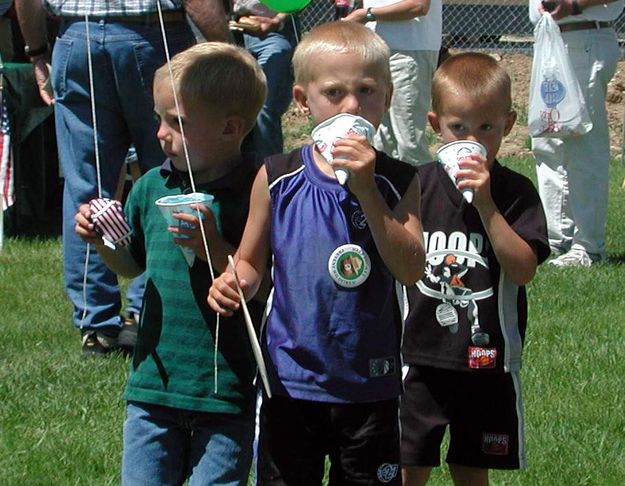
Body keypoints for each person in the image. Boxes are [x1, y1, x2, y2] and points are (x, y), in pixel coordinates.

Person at [208, 21, 426, 485]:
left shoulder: (399, 181)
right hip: (291, 380)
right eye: (334, 92)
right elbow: (251, 263)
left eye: (367, 91)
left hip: (370, 381)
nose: (352, 105)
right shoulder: (277, 176)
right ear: (304, 101)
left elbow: (410, 268)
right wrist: (236, 283)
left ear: (387, 98)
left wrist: (367, 190)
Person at [75, 42, 267, 484]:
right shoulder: (149, 186)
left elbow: (259, 283)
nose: (161, 133)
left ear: (230, 128)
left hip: (224, 392)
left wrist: (212, 245)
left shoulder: (256, 191)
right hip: (152, 386)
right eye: (159, 117)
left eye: (176, 122)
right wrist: (102, 240)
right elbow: (131, 265)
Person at [15, 0, 229, 357]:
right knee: (170, 177)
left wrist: (37, 51)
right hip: (152, 37)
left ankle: (96, 324)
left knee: (86, 187)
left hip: (76, 37)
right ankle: (151, 308)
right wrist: (228, 50)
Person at [400, 52, 550, 486]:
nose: (473, 139)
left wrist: (486, 206)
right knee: (409, 464)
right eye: (458, 128)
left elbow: (523, 270)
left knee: (472, 467)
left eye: (486, 127)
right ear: (435, 125)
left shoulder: (515, 191)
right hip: (419, 355)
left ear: (508, 124)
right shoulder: (418, 185)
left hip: (488, 359)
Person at [529, 0, 624, 267]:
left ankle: (589, 246)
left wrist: (574, 4)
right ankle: (557, 237)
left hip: (583, 36)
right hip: (550, 37)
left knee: (584, 145)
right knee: (547, 143)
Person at [344, 0, 442, 166]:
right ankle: (389, 189)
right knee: (381, 140)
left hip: (409, 51)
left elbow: (418, 6)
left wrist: (367, 14)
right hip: (376, 49)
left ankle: (425, 189)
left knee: (408, 141)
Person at [231, 0, 298, 162]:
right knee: (234, 106)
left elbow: (298, 3)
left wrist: (278, 20)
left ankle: (271, 173)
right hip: (235, 30)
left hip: (273, 32)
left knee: (263, 108)